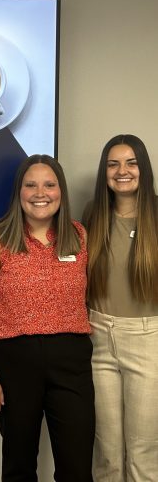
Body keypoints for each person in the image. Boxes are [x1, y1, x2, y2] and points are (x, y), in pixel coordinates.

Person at [0, 154, 94, 482]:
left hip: (72, 360)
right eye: (31, 185)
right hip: (14, 363)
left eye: (50, 185)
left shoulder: (78, 237)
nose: (41, 192)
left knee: (77, 466)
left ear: (61, 192)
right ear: (19, 193)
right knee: (19, 465)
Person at [83, 134, 158, 482]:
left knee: (143, 453)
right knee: (108, 454)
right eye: (113, 164)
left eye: (131, 162)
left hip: (148, 339)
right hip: (98, 339)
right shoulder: (91, 215)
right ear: (104, 171)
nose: (122, 171)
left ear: (143, 168)